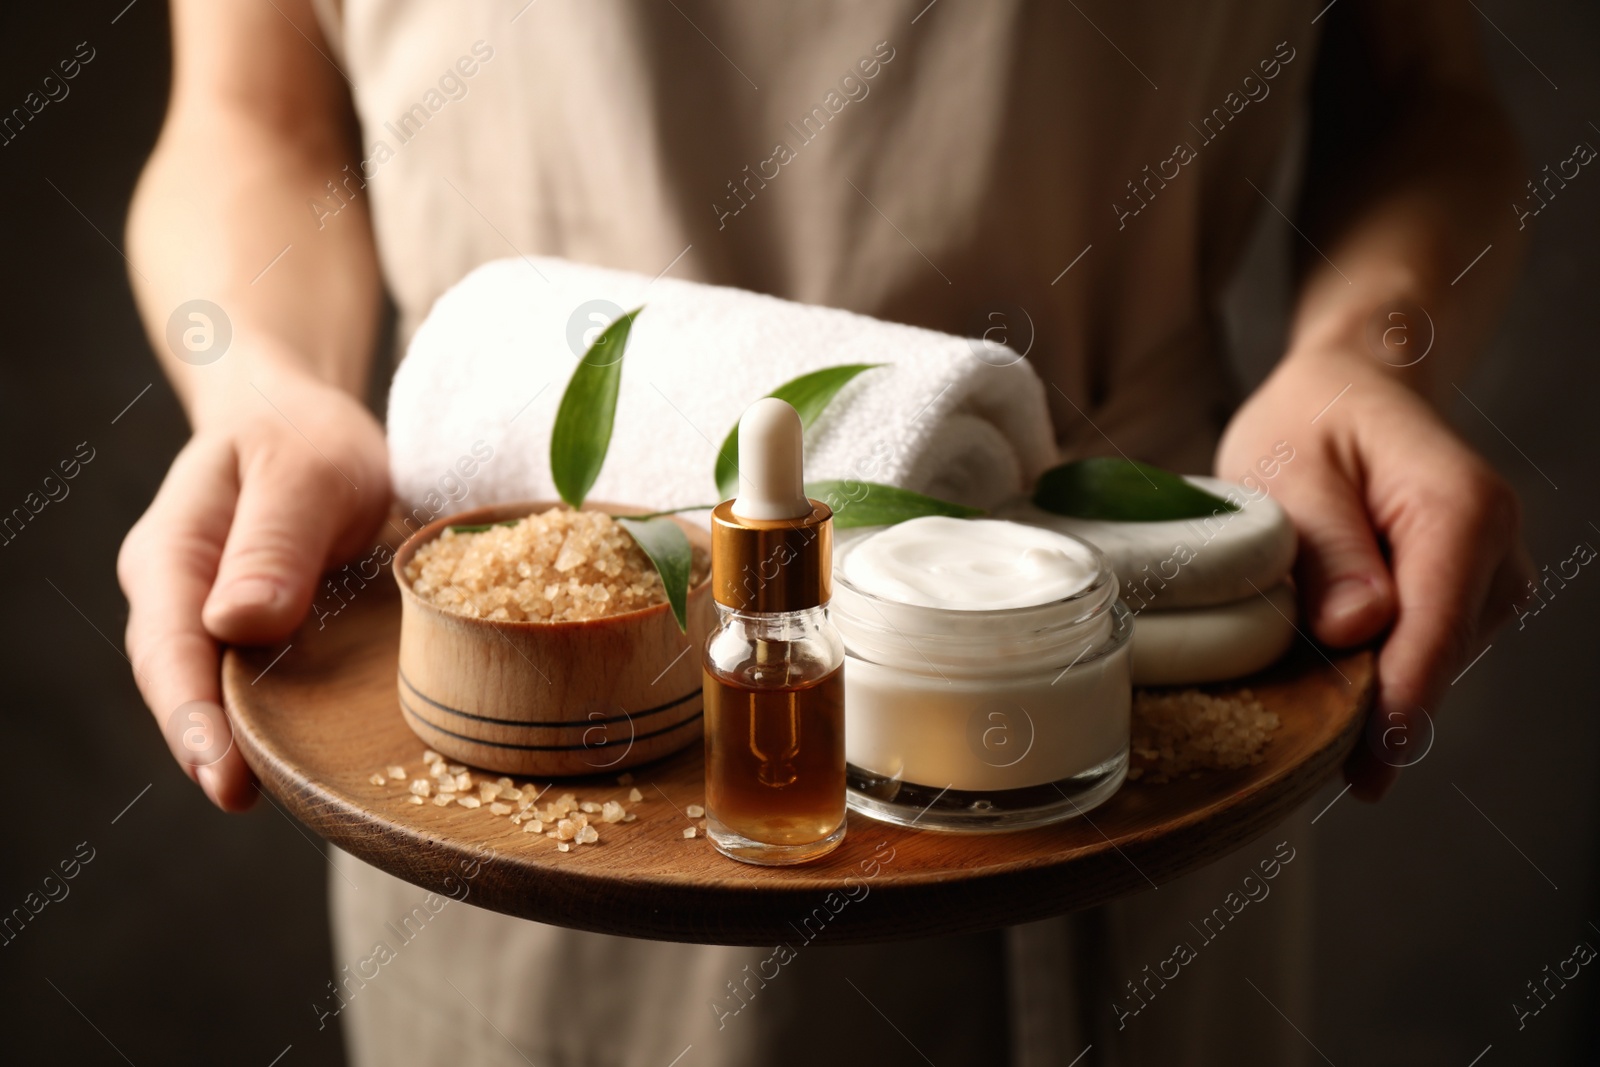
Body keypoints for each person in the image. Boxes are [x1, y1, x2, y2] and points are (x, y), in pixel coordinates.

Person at [120, 1, 1531, 1063]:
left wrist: (1368, 347)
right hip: (524, 689)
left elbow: (1422, 96)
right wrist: (258, 382)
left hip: (1104, 655)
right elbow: (255, 118)